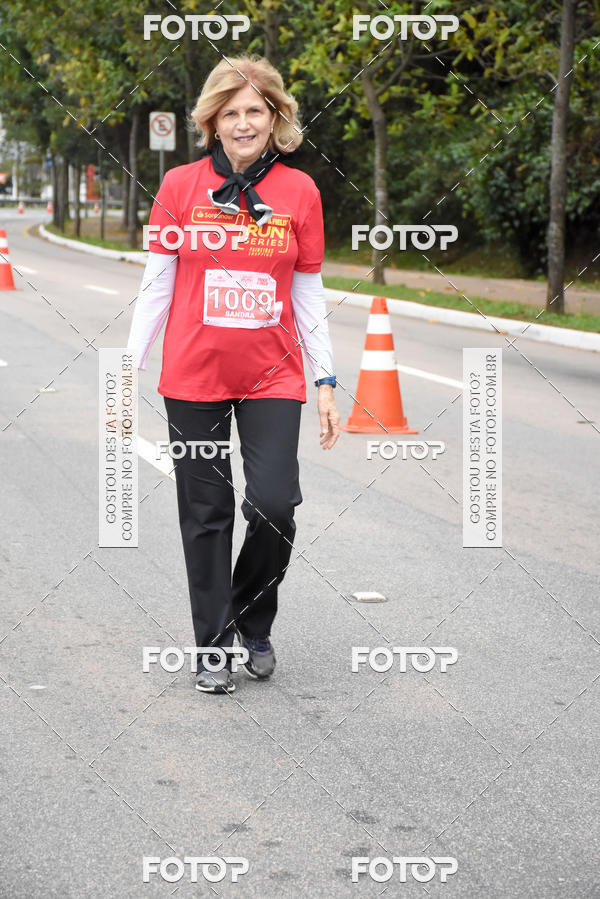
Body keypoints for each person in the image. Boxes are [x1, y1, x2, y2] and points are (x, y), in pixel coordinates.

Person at [127, 55, 339, 694]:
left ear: (275, 119)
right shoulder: (179, 187)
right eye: (231, 113)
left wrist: (325, 381)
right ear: (212, 122)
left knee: (274, 505)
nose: (244, 123)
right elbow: (157, 285)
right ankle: (213, 644)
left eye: (256, 111)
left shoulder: (301, 192)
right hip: (192, 374)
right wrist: (122, 372)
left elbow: (308, 292)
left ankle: (253, 615)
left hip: (273, 375)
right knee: (207, 510)